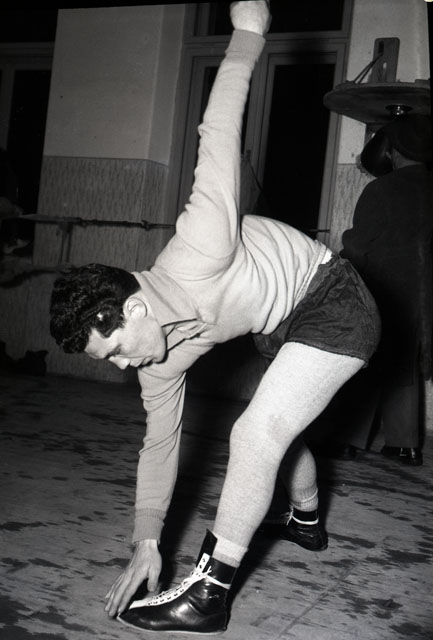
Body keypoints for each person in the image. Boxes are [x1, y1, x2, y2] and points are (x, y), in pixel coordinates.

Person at [49, 2, 380, 634]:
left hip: (334, 298)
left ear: (133, 307)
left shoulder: (199, 244)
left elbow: (218, 131)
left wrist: (248, 34)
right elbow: (159, 445)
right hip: (279, 324)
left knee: (255, 432)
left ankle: (210, 593)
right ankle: (306, 519)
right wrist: (146, 540)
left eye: (115, 349)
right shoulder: (156, 360)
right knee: (279, 426)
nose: (123, 366)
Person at [333, 114, 433, 467]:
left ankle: (345, 441)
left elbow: (358, 246)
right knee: (404, 365)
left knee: (364, 359)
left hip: (385, 290)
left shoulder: (382, 189)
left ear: (393, 151)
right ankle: (405, 445)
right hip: (424, 297)